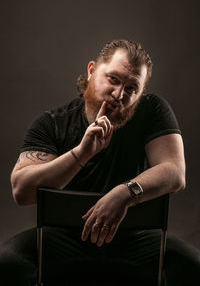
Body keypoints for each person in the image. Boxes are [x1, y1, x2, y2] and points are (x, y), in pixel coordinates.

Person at [0, 39, 199, 285]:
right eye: (113, 79)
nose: (119, 95)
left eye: (131, 89)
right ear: (92, 70)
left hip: (133, 239)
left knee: (194, 268)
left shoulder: (153, 111)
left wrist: (124, 193)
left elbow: (175, 171)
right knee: (6, 265)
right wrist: (82, 153)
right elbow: (22, 191)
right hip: (63, 239)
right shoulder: (52, 123)